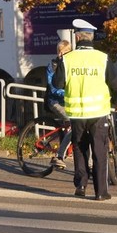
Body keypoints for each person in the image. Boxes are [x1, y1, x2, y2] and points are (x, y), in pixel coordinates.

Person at [52, 19, 117, 201]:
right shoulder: (102, 58)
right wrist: (116, 101)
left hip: (76, 114)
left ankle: (81, 185)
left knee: (80, 149)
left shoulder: (67, 59)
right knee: (99, 151)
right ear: (91, 37)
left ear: (77, 37)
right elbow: (115, 84)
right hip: (98, 114)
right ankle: (100, 192)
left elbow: (56, 83)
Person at [45, 39, 72, 169]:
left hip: (70, 102)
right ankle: (59, 156)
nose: (64, 55)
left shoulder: (72, 64)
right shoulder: (53, 65)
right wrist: (69, 93)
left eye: (67, 52)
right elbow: (53, 88)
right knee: (75, 123)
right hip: (55, 101)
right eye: (62, 52)